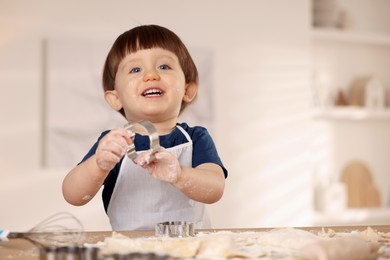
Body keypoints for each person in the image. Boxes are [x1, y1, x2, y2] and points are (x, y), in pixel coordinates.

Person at [62, 24, 228, 231]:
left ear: (188, 90)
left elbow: (214, 189)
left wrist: (179, 175)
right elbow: (73, 195)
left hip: (190, 249)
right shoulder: (113, 143)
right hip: (130, 251)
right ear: (115, 98)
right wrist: (98, 165)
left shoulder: (196, 138)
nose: (150, 75)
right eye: (135, 69)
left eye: (164, 67)